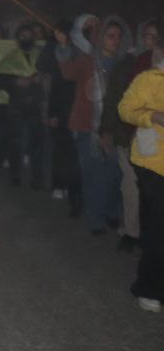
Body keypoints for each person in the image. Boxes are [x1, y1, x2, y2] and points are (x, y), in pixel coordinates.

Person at [56, 14, 129, 235]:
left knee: (115, 174)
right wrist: (63, 46)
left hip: (116, 129)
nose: (115, 40)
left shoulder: (125, 64)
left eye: (118, 36)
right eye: (110, 36)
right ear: (100, 37)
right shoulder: (88, 61)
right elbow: (68, 71)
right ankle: (96, 219)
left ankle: (112, 211)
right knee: (93, 175)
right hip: (87, 128)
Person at [117, 37, 164, 312]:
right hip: (152, 163)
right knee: (158, 228)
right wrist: (153, 116)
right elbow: (125, 109)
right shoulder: (148, 79)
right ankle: (148, 288)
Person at [102, 20, 157, 251]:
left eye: (156, 36)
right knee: (131, 186)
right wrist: (106, 130)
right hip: (130, 135)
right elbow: (114, 100)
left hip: (157, 141)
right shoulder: (128, 65)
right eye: (148, 35)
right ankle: (132, 232)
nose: (152, 41)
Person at [0, 23, 47, 188]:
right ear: (17, 39)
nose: (26, 39)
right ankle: (15, 176)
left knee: (37, 142)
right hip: (17, 105)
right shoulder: (11, 57)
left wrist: (41, 79)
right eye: (22, 36)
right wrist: (15, 81)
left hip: (36, 105)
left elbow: (51, 74)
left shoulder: (41, 55)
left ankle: (37, 178)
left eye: (29, 36)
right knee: (15, 142)